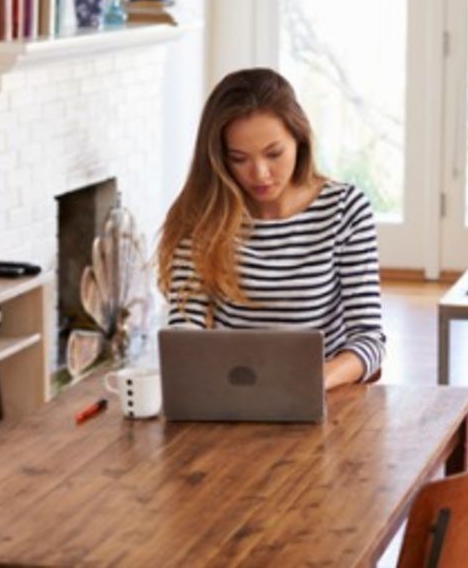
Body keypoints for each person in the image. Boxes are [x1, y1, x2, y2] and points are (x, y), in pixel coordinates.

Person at [157, 68, 385, 390]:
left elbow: (369, 339)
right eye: (239, 158)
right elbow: (186, 335)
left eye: (274, 153)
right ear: (220, 158)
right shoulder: (202, 218)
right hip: (231, 396)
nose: (260, 174)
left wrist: (312, 381)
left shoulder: (344, 209)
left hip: (323, 400)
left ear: (299, 139)